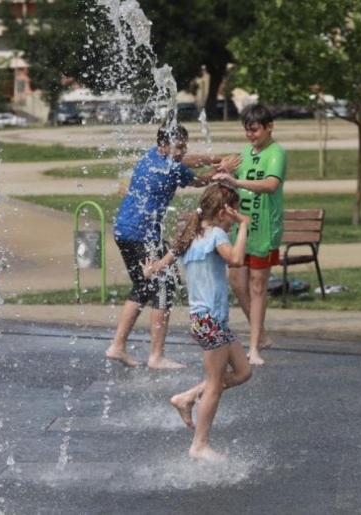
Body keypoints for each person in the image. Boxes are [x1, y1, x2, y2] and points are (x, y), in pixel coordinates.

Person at [106, 123, 241, 369]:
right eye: (178, 147)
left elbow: (188, 160)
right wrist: (223, 169)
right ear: (164, 145)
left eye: (184, 146)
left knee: (144, 287)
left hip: (125, 229)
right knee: (163, 287)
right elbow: (202, 181)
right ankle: (155, 356)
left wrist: (217, 158)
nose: (182, 151)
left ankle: (117, 346)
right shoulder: (170, 171)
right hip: (142, 233)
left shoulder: (153, 155)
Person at [143, 184, 252, 461]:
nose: (235, 217)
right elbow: (237, 260)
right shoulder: (215, 234)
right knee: (215, 384)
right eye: (234, 212)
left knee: (242, 372)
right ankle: (199, 445)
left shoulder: (190, 236)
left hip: (210, 322)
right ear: (224, 212)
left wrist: (149, 269)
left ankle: (188, 397)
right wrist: (244, 226)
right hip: (209, 321)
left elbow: (159, 267)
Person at [213, 104, 286, 366]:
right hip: (242, 228)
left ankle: (254, 347)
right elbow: (231, 180)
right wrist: (225, 172)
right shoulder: (245, 152)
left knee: (257, 286)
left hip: (265, 229)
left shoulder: (276, 152)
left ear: (269, 127)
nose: (251, 135)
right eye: (247, 130)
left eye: (254, 130)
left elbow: (270, 184)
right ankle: (262, 334)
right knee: (237, 283)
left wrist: (237, 182)